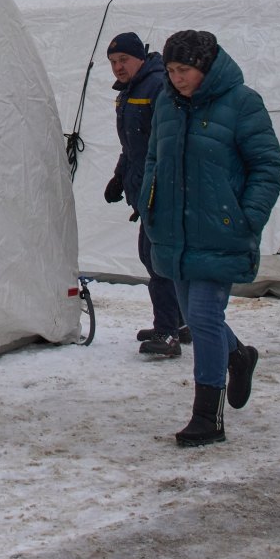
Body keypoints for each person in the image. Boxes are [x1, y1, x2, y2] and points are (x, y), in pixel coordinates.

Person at [140, 29, 280, 447]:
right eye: (170, 70)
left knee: (202, 317)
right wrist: (150, 203)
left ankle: (208, 417)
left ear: (206, 66)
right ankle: (237, 355)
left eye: (184, 69)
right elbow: (154, 157)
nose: (176, 78)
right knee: (197, 316)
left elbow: (267, 166)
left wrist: (245, 217)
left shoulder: (242, 103)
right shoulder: (166, 103)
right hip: (174, 229)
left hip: (219, 230)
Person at [99, 32, 185, 358]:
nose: (118, 67)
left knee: (157, 260)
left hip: (161, 191)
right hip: (144, 188)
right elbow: (133, 146)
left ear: (140, 57)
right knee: (154, 257)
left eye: (123, 60)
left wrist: (159, 188)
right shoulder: (129, 92)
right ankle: (180, 322)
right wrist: (119, 177)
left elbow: (164, 145)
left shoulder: (157, 87)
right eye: (113, 62)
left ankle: (168, 331)